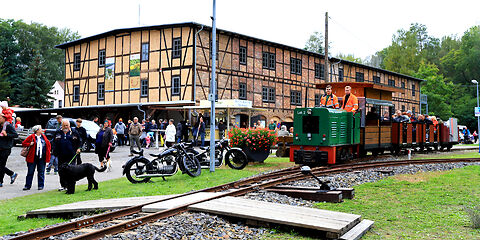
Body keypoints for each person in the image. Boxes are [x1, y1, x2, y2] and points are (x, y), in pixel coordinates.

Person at [52, 119, 81, 191]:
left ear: (69, 125)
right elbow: (54, 142)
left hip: (71, 155)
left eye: (67, 125)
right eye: (64, 125)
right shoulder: (58, 132)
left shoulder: (74, 132)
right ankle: (63, 185)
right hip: (61, 155)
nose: (66, 127)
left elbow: (80, 141)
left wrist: (79, 148)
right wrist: (54, 151)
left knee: (71, 171)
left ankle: (71, 186)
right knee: (61, 171)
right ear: (62, 125)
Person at [21, 125, 51, 190]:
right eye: (40, 129)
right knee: (30, 172)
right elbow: (23, 143)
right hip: (32, 157)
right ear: (37, 130)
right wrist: (29, 144)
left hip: (42, 157)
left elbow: (48, 145)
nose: (42, 130)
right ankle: (27, 185)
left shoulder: (44, 137)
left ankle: (40, 185)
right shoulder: (31, 137)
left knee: (41, 172)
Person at [0, 113, 18, 187]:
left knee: (1, 165)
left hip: (6, 148)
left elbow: (15, 135)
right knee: (0, 165)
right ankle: (12, 174)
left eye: (0, 117)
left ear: (4, 118)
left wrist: (7, 134)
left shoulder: (8, 126)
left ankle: (0, 181)